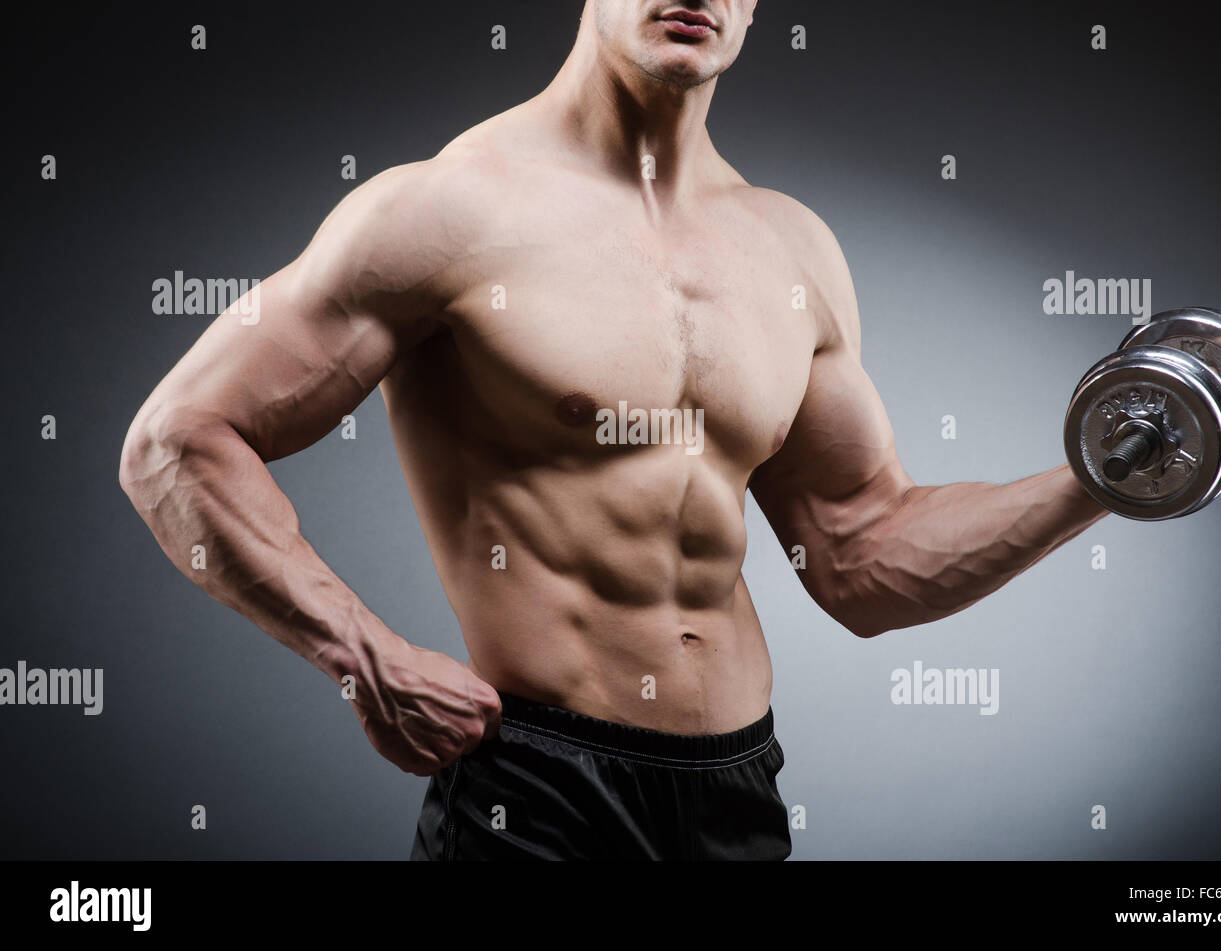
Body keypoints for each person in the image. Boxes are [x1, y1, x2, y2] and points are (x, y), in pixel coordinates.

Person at [119, 0, 1107, 860]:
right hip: (538, 792)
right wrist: (361, 654)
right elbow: (179, 439)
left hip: (736, 791)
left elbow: (861, 552)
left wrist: (1099, 481)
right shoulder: (447, 212)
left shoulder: (789, 244)